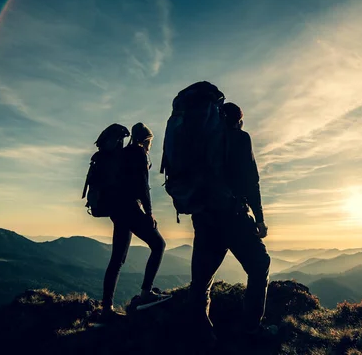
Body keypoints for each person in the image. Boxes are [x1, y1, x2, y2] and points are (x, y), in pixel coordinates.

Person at [189, 102, 272, 343]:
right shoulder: (240, 138)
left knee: (202, 280)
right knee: (259, 264)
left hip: (204, 218)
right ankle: (249, 328)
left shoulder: (200, 141)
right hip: (234, 217)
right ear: (238, 121)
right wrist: (260, 219)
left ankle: (200, 333)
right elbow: (251, 181)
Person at [101, 122, 169, 320]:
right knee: (159, 245)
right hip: (130, 209)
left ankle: (107, 309)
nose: (150, 146)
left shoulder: (121, 154)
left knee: (117, 259)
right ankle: (146, 293)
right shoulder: (139, 153)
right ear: (146, 140)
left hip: (117, 210)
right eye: (150, 142)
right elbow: (143, 186)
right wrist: (149, 213)